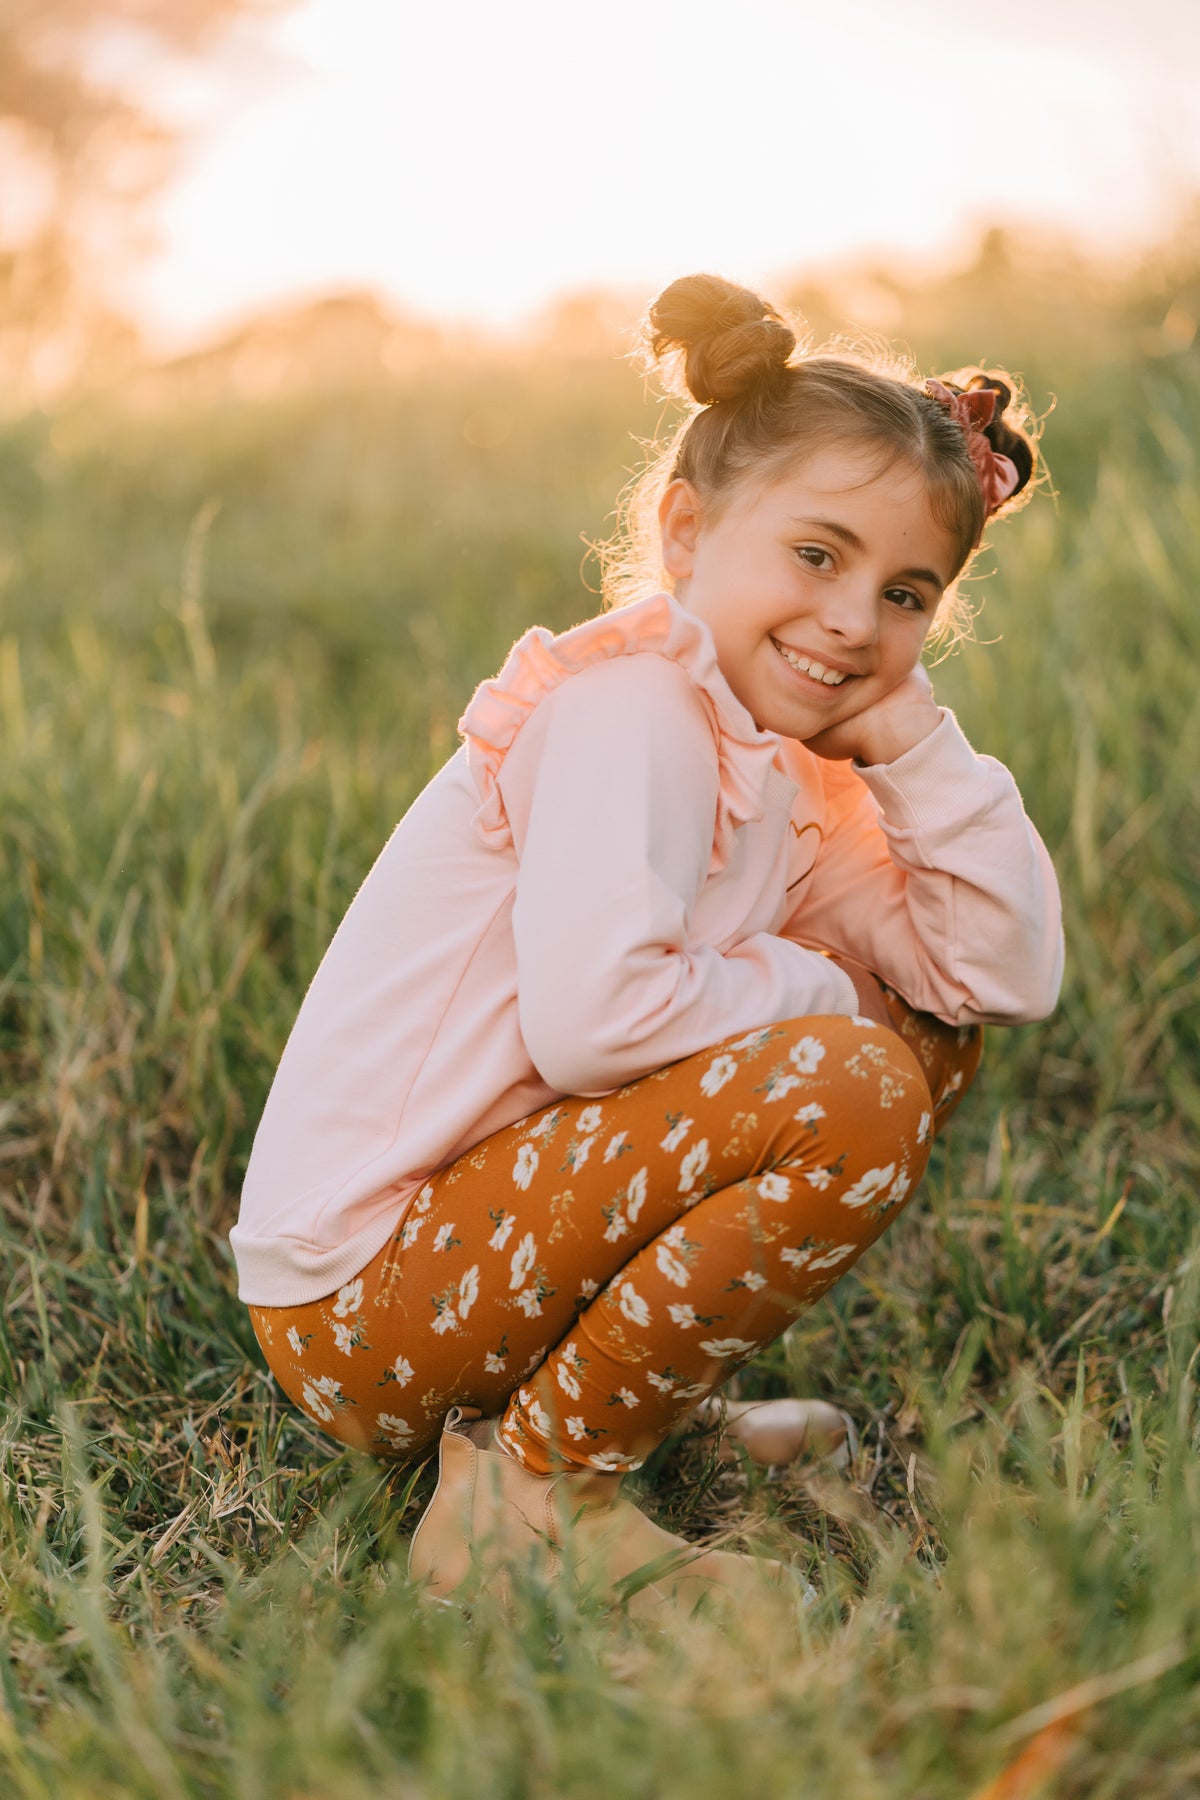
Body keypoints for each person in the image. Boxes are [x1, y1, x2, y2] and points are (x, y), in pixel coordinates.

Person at [231, 273, 1063, 1618]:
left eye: (907, 593)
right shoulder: (632, 717)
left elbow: (992, 980)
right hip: (363, 1302)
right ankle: (538, 1498)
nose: (856, 618)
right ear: (686, 532)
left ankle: (605, 1414)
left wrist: (917, 744)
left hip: (482, 1254)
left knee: (915, 1046)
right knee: (845, 1080)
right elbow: (599, 1023)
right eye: (817, 554)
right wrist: (813, 988)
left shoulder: (792, 771)